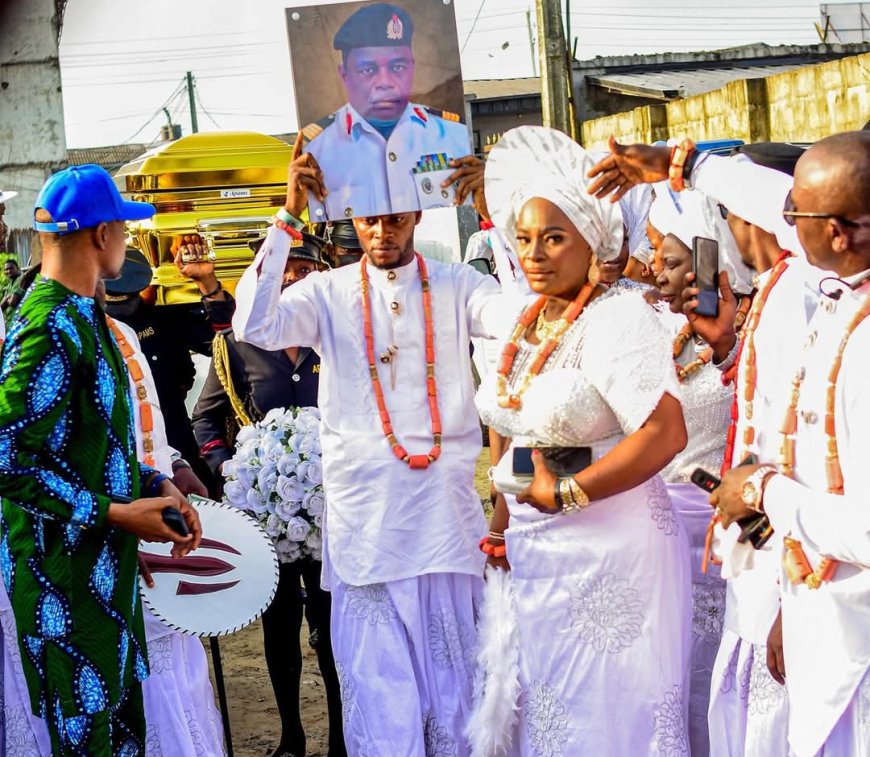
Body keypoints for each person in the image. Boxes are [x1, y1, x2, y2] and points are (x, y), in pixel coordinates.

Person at [584, 134, 855, 757]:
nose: (656, 266)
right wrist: (729, 345)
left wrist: (688, 166)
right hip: (746, 553)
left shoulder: (821, 289)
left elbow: (806, 449)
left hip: (801, 562)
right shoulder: (782, 286)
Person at [232, 133, 498, 754]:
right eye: (370, 217)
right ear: (354, 218)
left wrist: (496, 211)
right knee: (381, 698)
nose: (382, 230)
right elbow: (252, 322)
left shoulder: (458, 283)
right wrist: (288, 214)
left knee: (455, 692)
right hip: (368, 529)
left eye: (395, 216)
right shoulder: (327, 293)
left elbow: (520, 314)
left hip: (442, 526)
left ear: (418, 214)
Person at [474, 125, 692, 755]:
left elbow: (663, 430)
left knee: (610, 712)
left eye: (553, 238)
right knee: (551, 709)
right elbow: (512, 429)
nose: (535, 254)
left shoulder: (618, 317)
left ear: (591, 240)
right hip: (538, 547)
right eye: (524, 240)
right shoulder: (521, 319)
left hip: (615, 550)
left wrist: (567, 492)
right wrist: (507, 513)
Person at [0, 164, 201, 755]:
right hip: (62, 582)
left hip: (101, 575)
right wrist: (117, 514)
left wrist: (156, 486)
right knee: (88, 742)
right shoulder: (44, 326)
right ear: (99, 233)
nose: (128, 241)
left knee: (121, 736)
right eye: (124, 228)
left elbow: (90, 442)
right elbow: (7, 458)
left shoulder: (86, 318)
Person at [713, 131, 870, 757]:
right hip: (820, 613)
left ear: (838, 234)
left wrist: (761, 489)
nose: (784, 222)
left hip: (855, 640)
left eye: (795, 213)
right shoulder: (838, 303)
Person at [193, 232, 345, 757]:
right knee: (280, 627)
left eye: (305, 270)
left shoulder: (337, 330)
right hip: (271, 515)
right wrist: (232, 469)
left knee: (333, 628)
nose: (294, 279)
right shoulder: (239, 341)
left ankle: (344, 739)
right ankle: (292, 738)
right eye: (285, 270)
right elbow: (206, 419)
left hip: (338, 511)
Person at [650, 199, 748, 756]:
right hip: (654, 526)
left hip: (717, 529)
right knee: (666, 664)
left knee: (710, 667)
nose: (658, 272)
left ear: (709, 264)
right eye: (657, 261)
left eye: (672, 261)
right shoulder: (649, 329)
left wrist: (725, 341)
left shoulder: (745, 329)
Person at [300, 2, 471, 219]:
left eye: (397, 67)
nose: (385, 82)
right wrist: (291, 212)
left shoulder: (453, 136)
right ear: (344, 75)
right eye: (368, 69)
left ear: (412, 67)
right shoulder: (317, 150)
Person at [104, 248, 227, 495]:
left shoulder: (161, 318)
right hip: (114, 466)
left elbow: (223, 341)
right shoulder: (85, 330)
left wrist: (207, 283)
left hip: (176, 448)